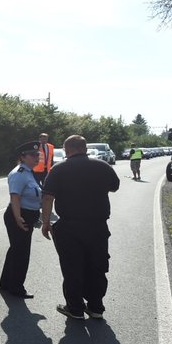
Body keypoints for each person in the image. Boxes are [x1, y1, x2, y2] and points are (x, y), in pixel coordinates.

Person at [41, 135, 120, 320]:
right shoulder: (103, 166)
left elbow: (47, 197)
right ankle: (96, 307)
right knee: (97, 266)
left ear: (66, 149)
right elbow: (114, 187)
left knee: (72, 267)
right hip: (98, 226)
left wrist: (45, 222)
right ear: (84, 148)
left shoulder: (58, 169)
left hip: (69, 227)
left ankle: (75, 308)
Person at [0, 140, 42, 299]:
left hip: (25, 215)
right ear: (23, 157)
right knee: (21, 253)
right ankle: (16, 288)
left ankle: (6, 284)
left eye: (37, 154)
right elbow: (15, 197)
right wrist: (18, 218)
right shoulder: (19, 173)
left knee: (15, 250)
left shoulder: (29, 172)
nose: (36, 157)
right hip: (19, 215)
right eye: (33, 155)